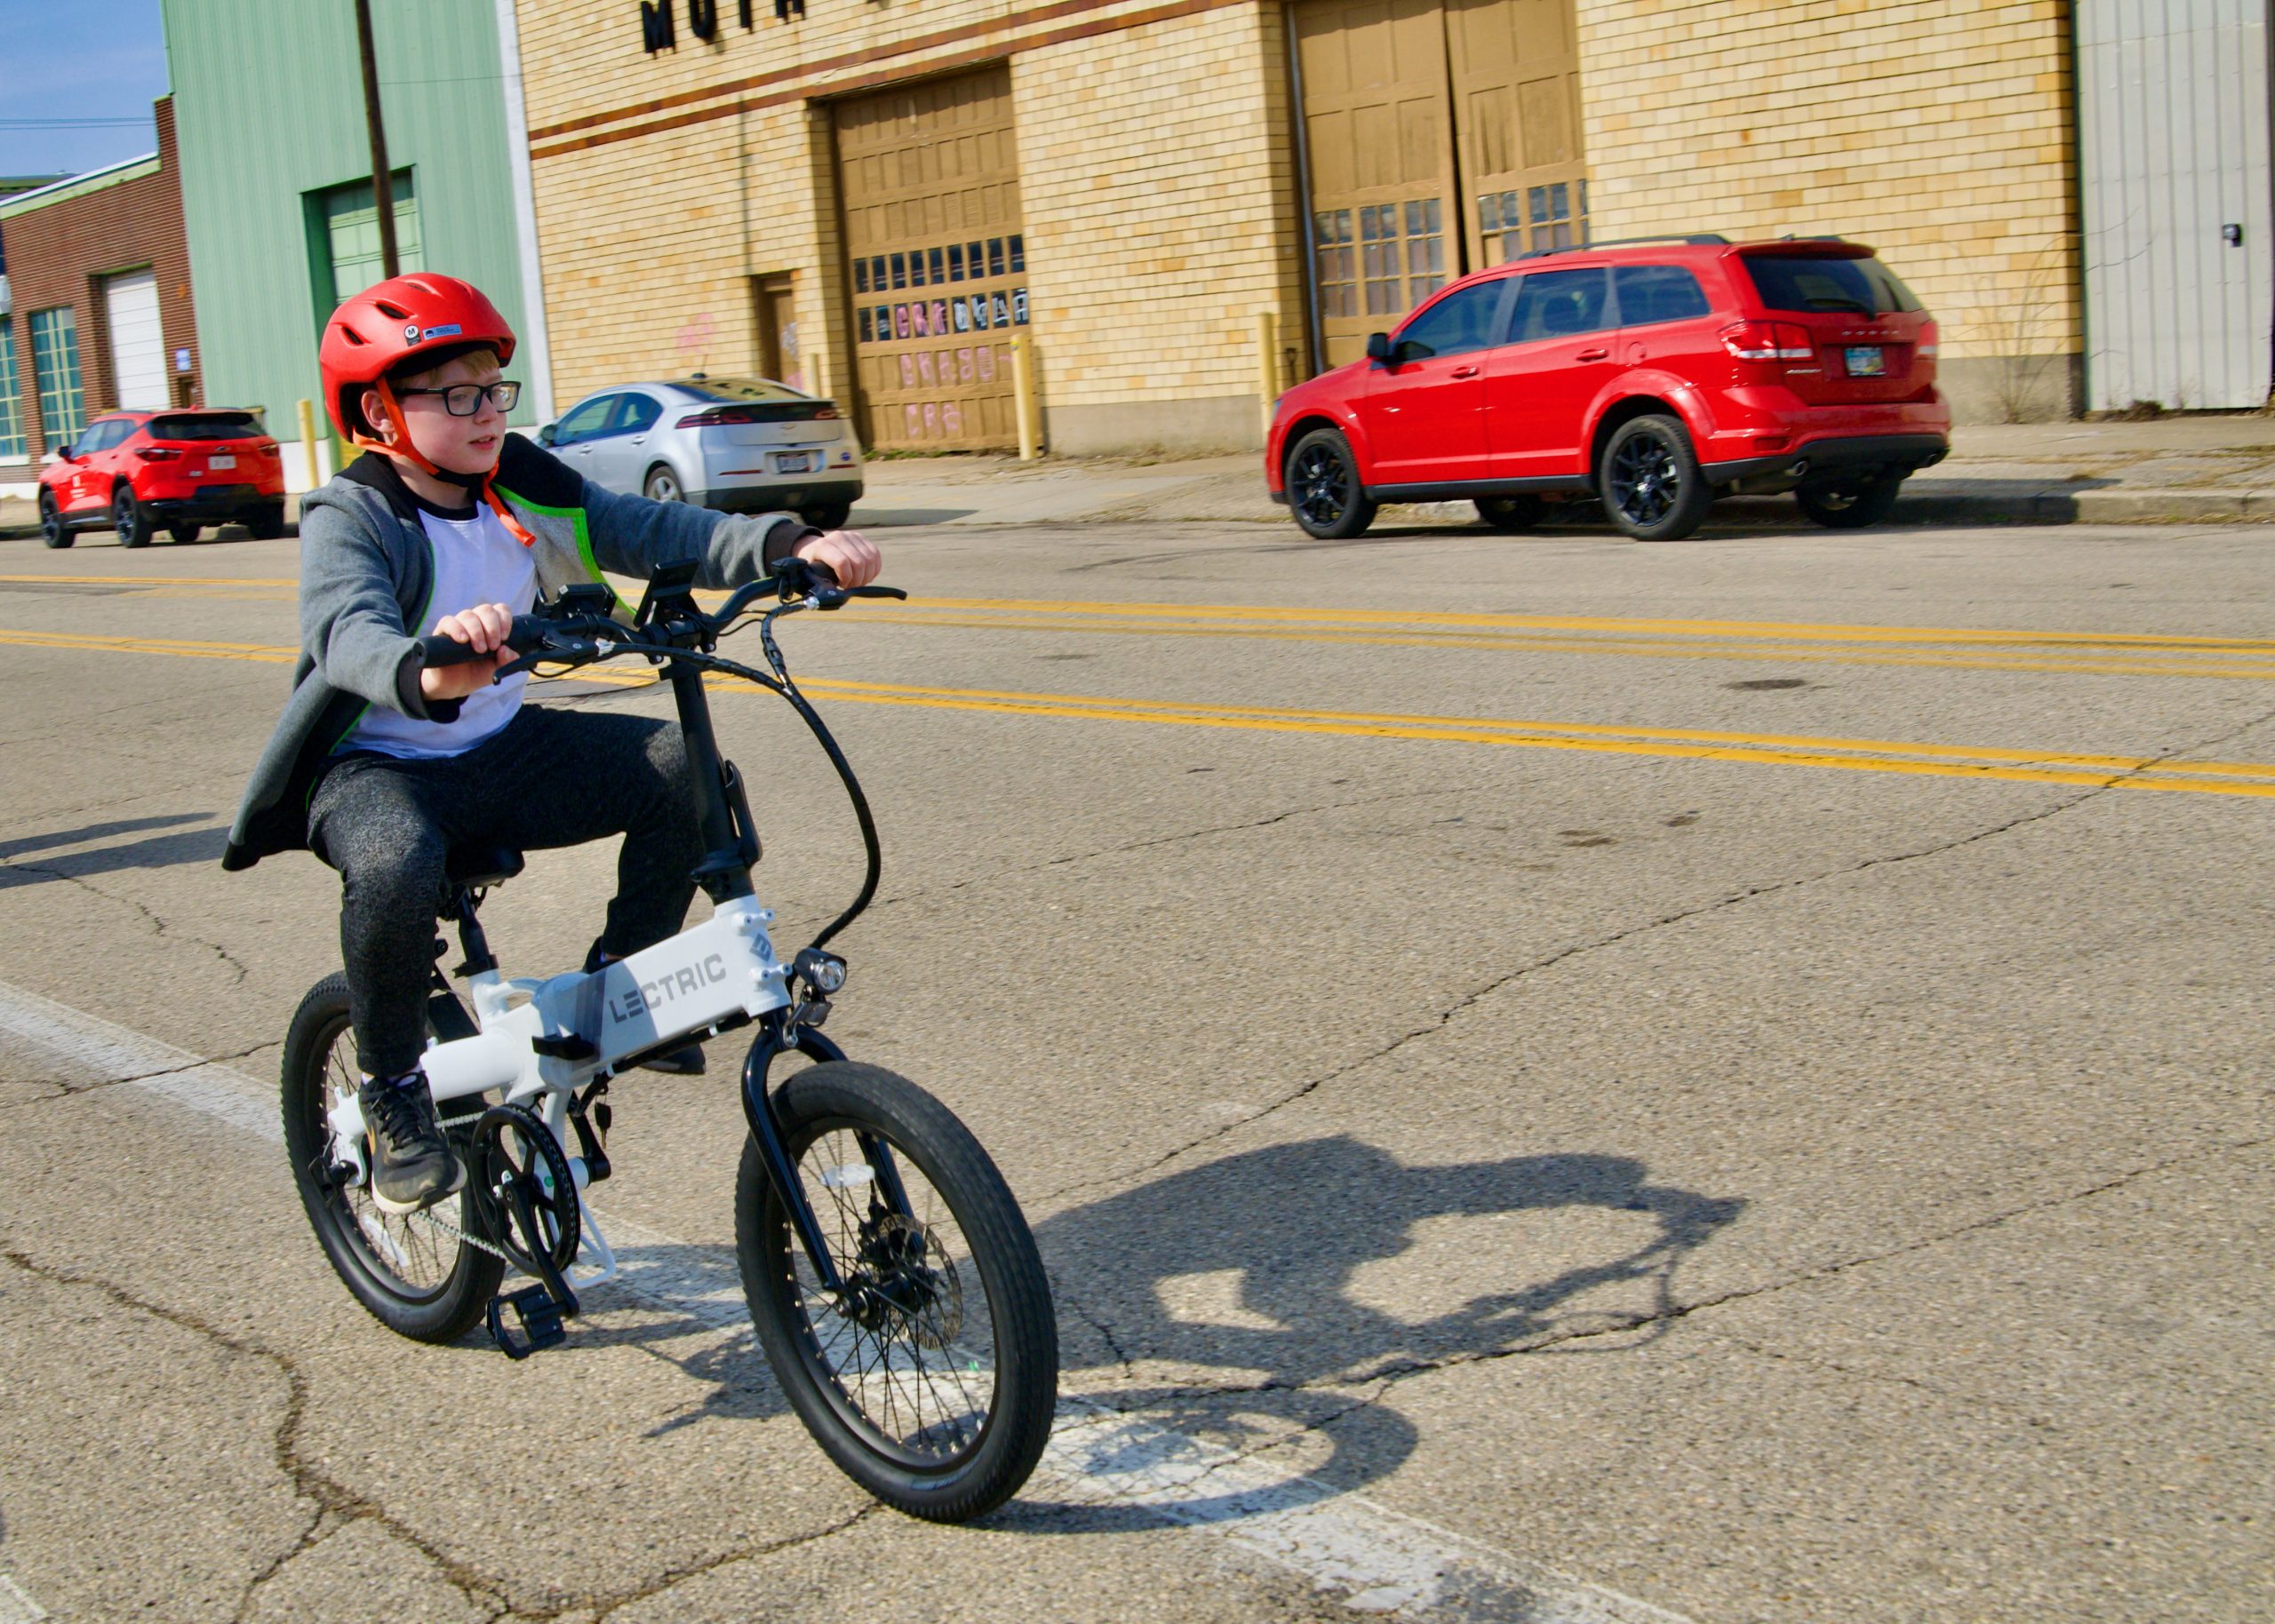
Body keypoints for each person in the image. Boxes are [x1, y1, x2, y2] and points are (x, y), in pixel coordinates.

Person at [221, 272, 880, 1214]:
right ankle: (394, 1090)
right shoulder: (352, 512)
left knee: (683, 770)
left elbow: (645, 527)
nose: (488, 412)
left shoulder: (518, 479)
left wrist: (786, 545)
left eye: (495, 389)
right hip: (378, 768)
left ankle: (624, 994)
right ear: (376, 411)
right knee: (396, 860)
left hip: (498, 751)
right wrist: (425, 668)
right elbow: (346, 630)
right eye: (457, 395)